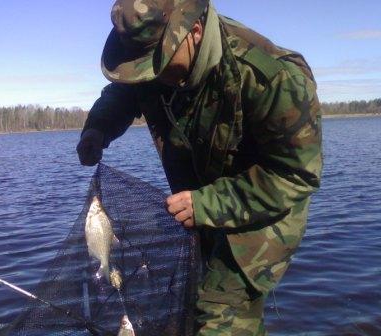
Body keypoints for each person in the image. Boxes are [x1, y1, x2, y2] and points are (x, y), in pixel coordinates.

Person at [77, 0, 323, 335]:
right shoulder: (156, 61)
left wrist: (206, 203)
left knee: (219, 317)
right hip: (200, 207)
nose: (152, 76)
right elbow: (123, 93)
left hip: (262, 218)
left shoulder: (275, 77)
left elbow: (295, 175)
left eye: (155, 65)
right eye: (141, 68)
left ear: (193, 33)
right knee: (204, 307)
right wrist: (99, 127)